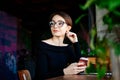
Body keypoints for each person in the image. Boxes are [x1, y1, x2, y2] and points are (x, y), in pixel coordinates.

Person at [34, 11, 87, 80]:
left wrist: (75, 43)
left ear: (68, 28)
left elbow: (79, 69)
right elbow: (40, 76)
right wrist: (64, 71)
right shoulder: (42, 46)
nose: (55, 26)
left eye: (60, 23)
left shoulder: (67, 48)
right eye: (52, 23)